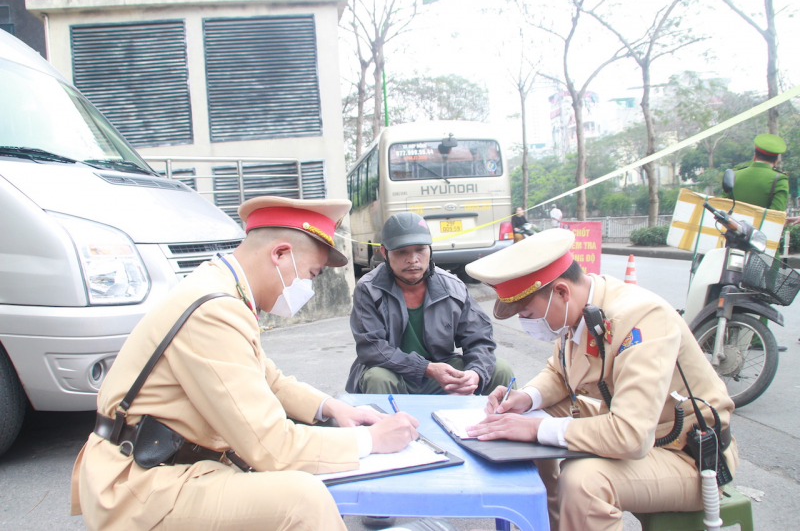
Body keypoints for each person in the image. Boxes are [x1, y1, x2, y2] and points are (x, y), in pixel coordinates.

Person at [71, 196, 420, 531]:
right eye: (311, 275)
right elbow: (271, 446)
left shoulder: (220, 288)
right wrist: (370, 441)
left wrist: (331, 408)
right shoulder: (215, 310)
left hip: (161, 463)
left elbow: (269, 378)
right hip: (142, 486)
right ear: (281, 254)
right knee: (303, 501)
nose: (309, 289)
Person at [464, 229, 738, 531]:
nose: (527, 323)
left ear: (561, 292)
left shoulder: (642, 318)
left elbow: (630, 435)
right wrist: (526, 399)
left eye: (528, 312)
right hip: (648, 439)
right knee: (523, 420)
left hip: (688, 456)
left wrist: (537, 427)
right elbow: (560, 372)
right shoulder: (580, 310)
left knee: (583, 482)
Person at [346, 211, 515, 395]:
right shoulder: (368, 289)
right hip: (395, 373)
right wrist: (427, 368)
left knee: (500, 370)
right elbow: (372, 348)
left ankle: (505, 422)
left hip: (441, 373)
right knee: (378, 378)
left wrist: (475, 373)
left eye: (420, 249)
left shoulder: (453, 287)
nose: (412, 259)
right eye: (401, 251)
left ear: (430, 249)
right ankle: (384, 424)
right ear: (384, 252)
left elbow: (480, 339)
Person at [724, 133, 789, 211]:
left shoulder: (733, 175)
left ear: (754, 156)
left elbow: (721, 206)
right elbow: (776, 214)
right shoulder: (779, 179)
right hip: (760, 223)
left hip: (730, 223)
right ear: (776, 161)